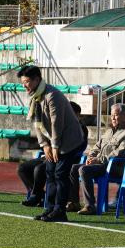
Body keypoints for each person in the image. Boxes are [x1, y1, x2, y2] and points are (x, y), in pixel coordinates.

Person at [19, 64, 84, 223]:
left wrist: (54, 146)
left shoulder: (51, 95)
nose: (24, 86)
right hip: (54, 141)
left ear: (36, 80)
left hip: (69, 141)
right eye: (23, 82)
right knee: (49, 173)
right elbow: (37, 123)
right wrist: (44, 145)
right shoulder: (36, 96)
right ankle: (49, 208)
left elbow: (57, 123)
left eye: (27, 82)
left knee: (60, 175)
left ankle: (59, 210)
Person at [71, 103, 125, 215]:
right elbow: (96, 147)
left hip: (114, 167)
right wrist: (91, 157)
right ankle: (74, 202)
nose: (113, 118)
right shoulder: (108, 132)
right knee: (73, 168)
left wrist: (98, 159)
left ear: (124, 116)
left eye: (116, 115)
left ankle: (90, 205)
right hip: (100, 165)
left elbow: (119, 153)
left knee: (84, 170)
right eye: (111, 115)